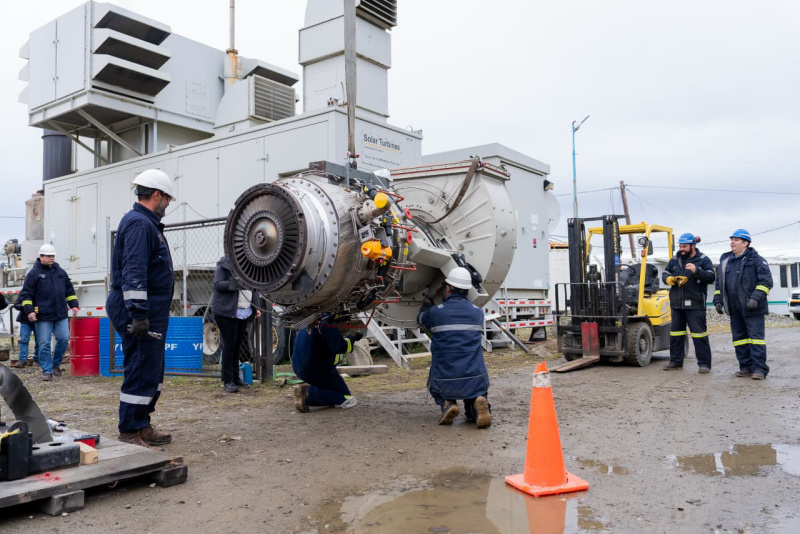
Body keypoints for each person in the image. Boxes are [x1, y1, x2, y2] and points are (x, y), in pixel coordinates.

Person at [106, 169, 176, 448]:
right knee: (139, 366)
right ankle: (130, 430)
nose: (168, 203)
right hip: (138, 311)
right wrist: (138, 313)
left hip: (149, 311)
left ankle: (142, 423)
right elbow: (134, 271)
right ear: (156, 195)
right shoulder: (139, 224)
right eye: (167, 198)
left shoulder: (146, 223)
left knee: (151, 369)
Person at [417, 266, 491, 428]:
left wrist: (427, 302)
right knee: (475, 390)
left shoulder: (436, 313)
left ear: (448, 288)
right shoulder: (478, 313)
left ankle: (448, 404)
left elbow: (421, 319)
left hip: (445, 376)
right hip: (474, 375)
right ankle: (477, 405)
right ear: (467, 290)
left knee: (434, 385)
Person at [713, 229, 773, 380]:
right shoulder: (726, 261)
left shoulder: (757, 260)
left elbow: (766, 281)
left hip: (753, 308)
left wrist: (756, 298)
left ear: (745, 243)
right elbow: (719, 283)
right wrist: (718, 300)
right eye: (732, 239)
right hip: (734, 308)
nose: (732, 242)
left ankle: (759, 369)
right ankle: (745, 367)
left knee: (755, 339)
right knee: (739, 339)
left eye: (736, 240)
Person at [18, 244, 79, 380]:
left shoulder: (60, 272)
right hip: (43, 315)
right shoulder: (33, 274)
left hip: (60, 314)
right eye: (49, 256)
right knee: (44, 343)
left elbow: (69, 291)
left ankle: (56, 364)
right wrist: (29, 311)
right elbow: (26, 295)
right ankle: (47, 370)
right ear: (41, 257)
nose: (52, 258)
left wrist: (74, 305)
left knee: (64, 338)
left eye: (53, 256)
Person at [661, 233, 716, 373]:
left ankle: (704, 365)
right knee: (676, 334)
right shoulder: (675, 259)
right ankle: (675, 362)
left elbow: (711, 277)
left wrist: (697, 271)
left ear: (693, 245)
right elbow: (665, 273)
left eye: (684, 246)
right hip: (677, 304)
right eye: (680, 246)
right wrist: (669, 279)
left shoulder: (703, 260)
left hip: (695, 304)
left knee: (699, 334)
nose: (682, 249)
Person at [292, 316, 363, 412]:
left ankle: (307, 396)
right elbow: (339, 346)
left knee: (337, 394)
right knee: (344, 397)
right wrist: (353, 338)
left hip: (299, 366)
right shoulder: (328, 321)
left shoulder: (308, 317)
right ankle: (309, 393)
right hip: (318, 370)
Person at [212, 255, 261, 393]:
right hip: (226, 312)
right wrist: (234, 284)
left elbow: (254, 288)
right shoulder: (224, 265)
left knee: (237, 344)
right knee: (230, 344)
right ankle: (228, 380)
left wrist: (256, 307)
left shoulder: (250, 267)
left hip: (243, 311)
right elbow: (217, 284)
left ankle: (236, 378)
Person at [10, 299, 40, 368]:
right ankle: (23, 360)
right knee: (24, 340)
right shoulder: (25, 293)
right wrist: (25, 305)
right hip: (25, 321)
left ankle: (37, 359)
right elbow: (16, 305)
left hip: (39, 320)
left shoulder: (40, 291)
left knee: (39, 341)